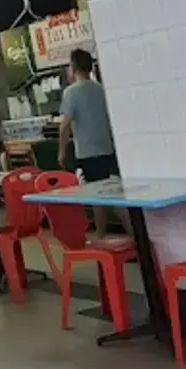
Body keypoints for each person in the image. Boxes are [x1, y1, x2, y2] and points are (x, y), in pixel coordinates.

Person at [58, 48, 130, 238]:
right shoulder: (101, 90)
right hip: (108, 150)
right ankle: (130, 239)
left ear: (72, 67)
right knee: (114, 198)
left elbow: (65, 125)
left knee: (98, 198)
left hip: (88, 154)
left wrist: (62, 151)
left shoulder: (71, 92)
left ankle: (102, 237)